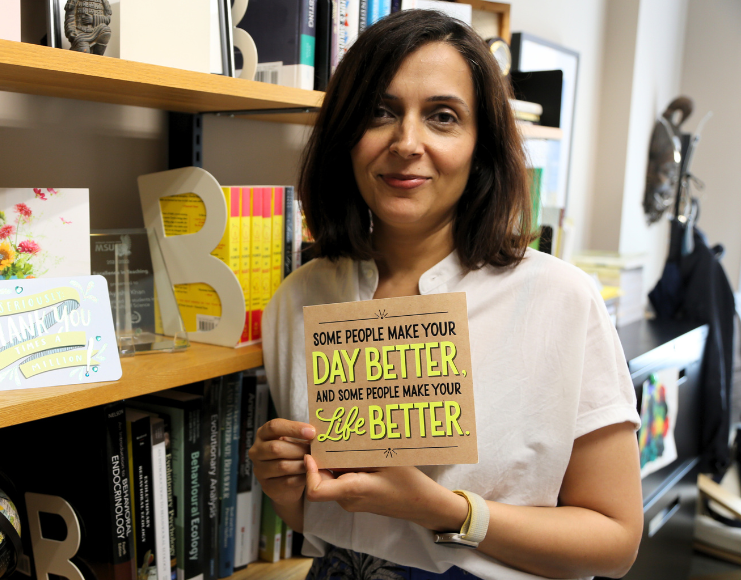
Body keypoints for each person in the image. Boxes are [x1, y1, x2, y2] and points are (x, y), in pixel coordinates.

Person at [250, 10, 643, 580]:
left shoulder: (561, 300)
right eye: (380, 112)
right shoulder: (299, 300)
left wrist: (442, 510)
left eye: (442, 117)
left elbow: (616, 541)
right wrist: (285, 486)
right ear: (346, 135)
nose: (407, 143)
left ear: (480, 145)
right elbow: (322, 523)